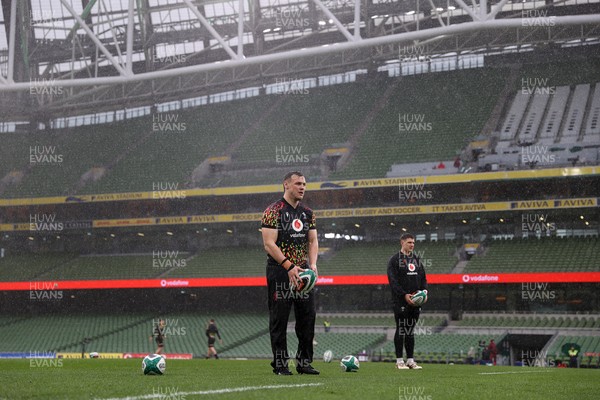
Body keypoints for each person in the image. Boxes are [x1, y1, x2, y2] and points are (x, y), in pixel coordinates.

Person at [261, 171, 319, 376]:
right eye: (297, 183)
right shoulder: (273, 211)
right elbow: (269, 244)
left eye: (304, 183)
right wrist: (289, 266)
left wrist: (312, 265)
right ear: (286, 184)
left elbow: (312, 241)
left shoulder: (308, 213)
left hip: (303, 273)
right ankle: (280, 365)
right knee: (279, 319)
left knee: (308, 317)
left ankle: (304, 363)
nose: (302, 187)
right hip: (280, 272)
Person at [387, 233, 427, 370]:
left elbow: (423, 278)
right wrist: (404, 295)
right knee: (401, 329)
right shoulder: (394, 260)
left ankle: (410, 360)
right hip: (400, 302)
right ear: (402, 242)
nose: (412, 245)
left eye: (413, 243)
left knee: (410, 330)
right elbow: (393, 282)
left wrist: (424, 292)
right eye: (409, 242)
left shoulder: (416, 259)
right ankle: (399, 361)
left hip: (415, 303)